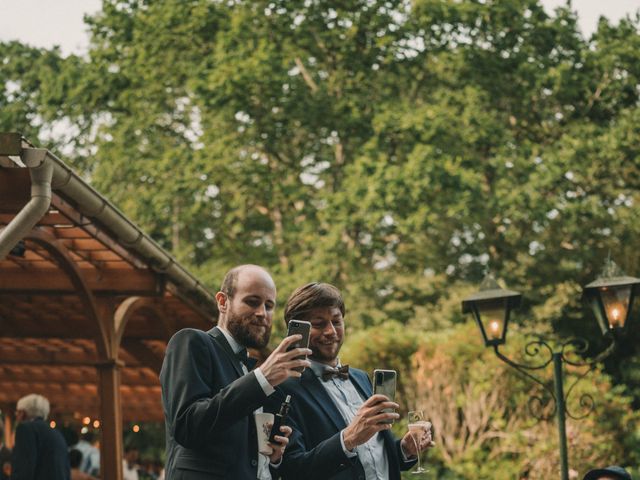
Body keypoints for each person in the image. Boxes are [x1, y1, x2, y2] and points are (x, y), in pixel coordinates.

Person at [268, 282, 435, 480]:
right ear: (299, 331)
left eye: (336, 321)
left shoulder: (361, 377)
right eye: (319, 324)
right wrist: (348, 438)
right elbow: (293, 470)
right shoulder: (282, 389)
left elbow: (374, 457)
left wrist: (405, 449)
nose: (331, 331)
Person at [160, 264, 312, 479]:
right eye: (252, 302)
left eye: (269, 306)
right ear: (223, 302)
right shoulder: (191, 341)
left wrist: (273, 456)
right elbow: (187, 426)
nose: (262, 313)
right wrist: (262, 378)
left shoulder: (248, 369)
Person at [11, 393, 70, 480]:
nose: (16, 416)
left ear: (23, 413)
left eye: (18, 412)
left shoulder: (26, 429)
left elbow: (24, 468)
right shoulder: (57, 434)